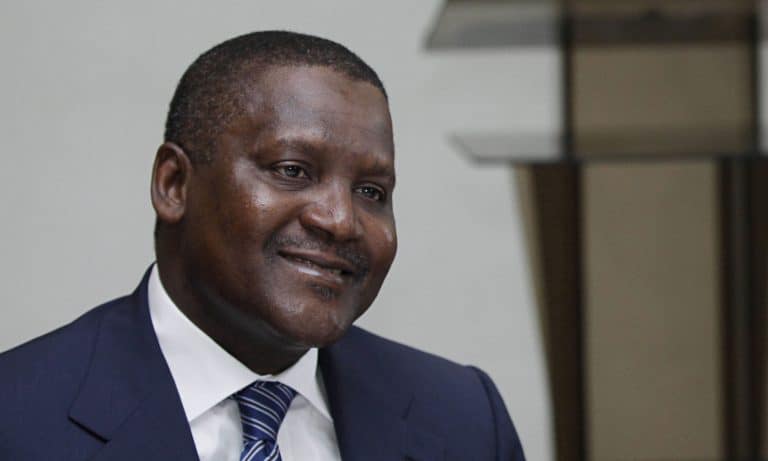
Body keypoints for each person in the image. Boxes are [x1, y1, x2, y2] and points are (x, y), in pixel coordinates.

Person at [0, 31, 525, 460]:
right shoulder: (18, 419)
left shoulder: (464, 420)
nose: (341, 221)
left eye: (371, 192)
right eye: (292, 171)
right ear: (174, 185)